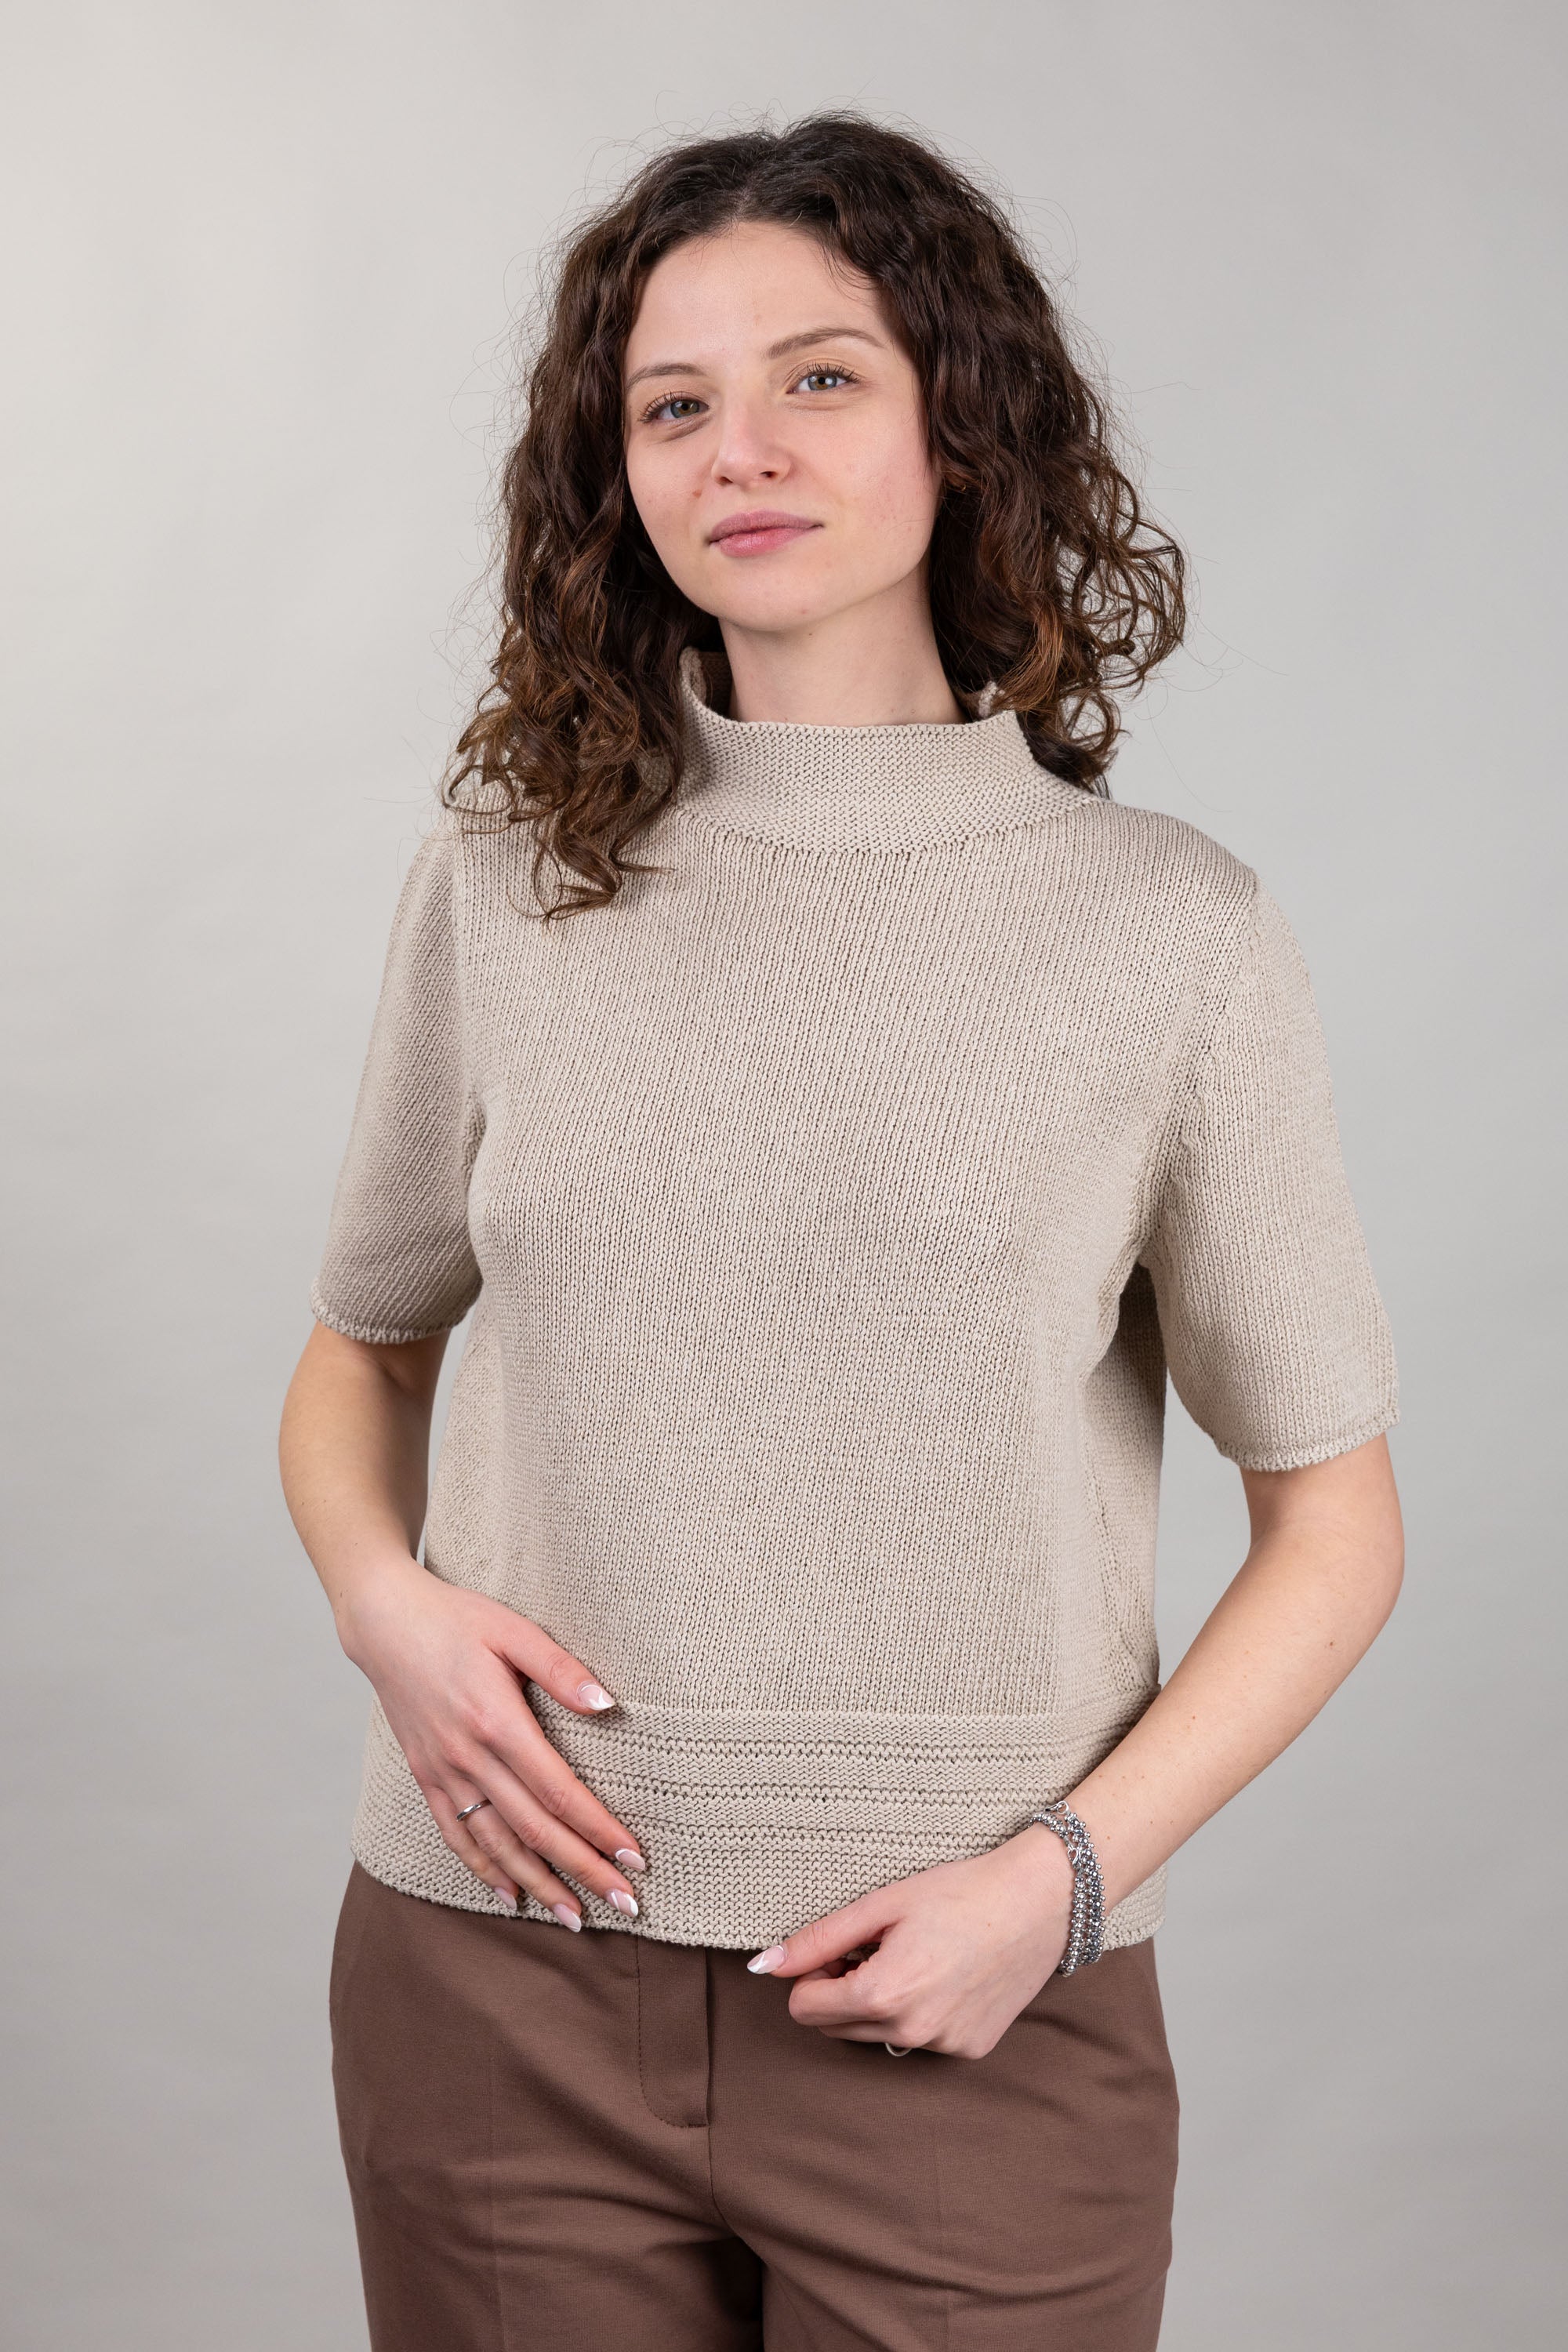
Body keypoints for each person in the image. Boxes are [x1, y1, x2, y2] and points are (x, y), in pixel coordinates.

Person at [278, 111, 1403, 2352]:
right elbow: (361, 1354)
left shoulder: (1169, 936)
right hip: (493, 1989)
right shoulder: (503, 888)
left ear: (961, 426)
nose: (743, 451)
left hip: (968, 2010)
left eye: (820, 378)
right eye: (672, 406)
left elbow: (1337, 1525)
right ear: (616, 476)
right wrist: (384, 1609)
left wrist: (1058, 1888)